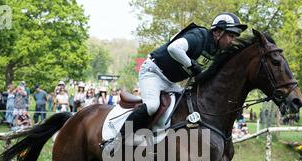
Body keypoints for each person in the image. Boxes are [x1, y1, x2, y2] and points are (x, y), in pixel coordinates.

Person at [103, 12, 247, 152]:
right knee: (152, 106)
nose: (232, 41)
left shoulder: (216, 50)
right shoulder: (199, 36)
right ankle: (116, 140)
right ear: (218, 32)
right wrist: (191, 65)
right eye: (231, 36)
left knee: (187, 104)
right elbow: (174, 48)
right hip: (153, 72)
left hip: (170, 81)